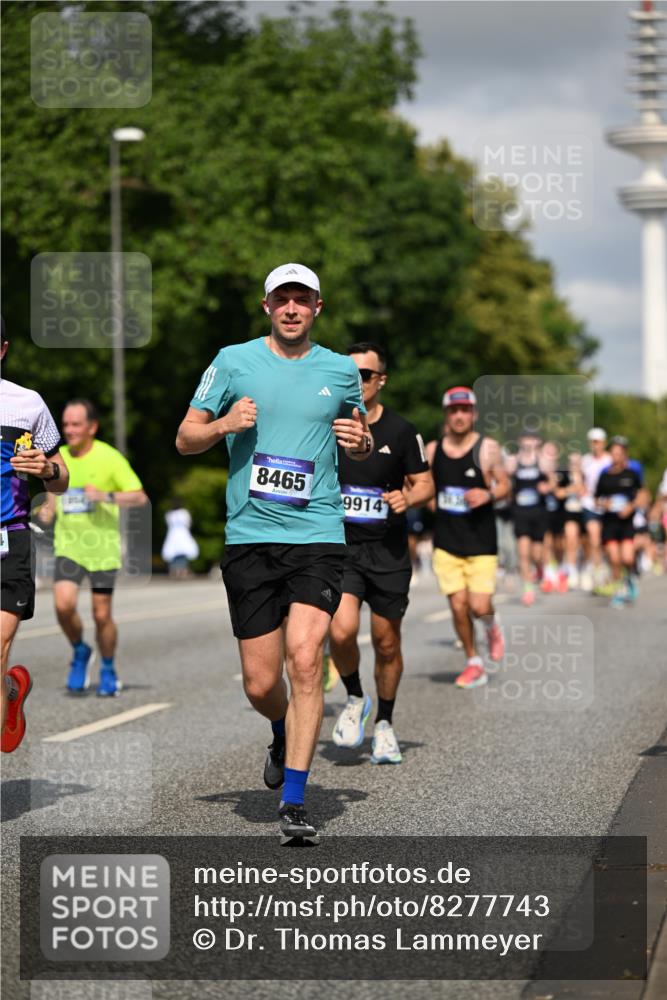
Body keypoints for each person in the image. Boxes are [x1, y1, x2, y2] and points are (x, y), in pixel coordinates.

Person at [176, 263, 372, 844]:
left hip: (317, 534)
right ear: (267, 306)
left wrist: (361, 443)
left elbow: (358, 440)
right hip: (250, 538)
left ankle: (294, 800)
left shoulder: (340, 370)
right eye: (281, 299)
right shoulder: (232, 361)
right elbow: (185, 438)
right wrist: (224, 424)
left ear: (317, 307)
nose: (291, 308)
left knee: (306, 659)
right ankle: (282, 730)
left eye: (301, 299)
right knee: (261, 684)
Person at [328, 342, 433, 765]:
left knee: (386, 643)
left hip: (388, 552)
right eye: (350, 374)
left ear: (381, 380)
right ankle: (355, 696)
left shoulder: (402, 431)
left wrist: (409, 498)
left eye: (366, 375)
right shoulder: (329, 424)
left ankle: (385, 723)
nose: (358, 382)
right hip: (342, 548)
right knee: (340, 631)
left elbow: (425, 484)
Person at [37, 400, 148, 696]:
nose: (69, 430)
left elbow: (139, 497)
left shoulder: (109, 457)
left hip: (102, 550)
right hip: (69, 547)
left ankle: (108, 667)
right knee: (63, 605)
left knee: (101, 615)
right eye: (65, 424)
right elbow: (54, 494)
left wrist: (105, 496)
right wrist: (47, 510)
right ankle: (80, 650)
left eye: (75, 424)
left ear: (92, 427)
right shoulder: (59, 457)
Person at [1, 316, 69, 753]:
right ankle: (10, 690)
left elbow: (60, 478)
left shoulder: (27, 403)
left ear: (2, 349)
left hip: (9, 539)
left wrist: (46, 469)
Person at [426, 386, 509, 689]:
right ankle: (474, 661)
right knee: (458, 606)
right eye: (454, 410)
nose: (459, 416)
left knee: (479, 606)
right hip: (446, 541)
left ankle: (491, 625)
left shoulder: (488, 448)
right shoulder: (433, 450)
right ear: (446, 414)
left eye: (465, 410)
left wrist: (488, 494)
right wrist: (432, 503)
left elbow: (505, 485)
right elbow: (424, 485)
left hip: (481, 541)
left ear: (473, 414)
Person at [506, 431, 555, 607]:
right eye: (525, 439)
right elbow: (505, 479)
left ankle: (540, 569)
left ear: (538, 441)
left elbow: (553, 482)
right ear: (520, 441)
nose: (528, 442)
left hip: (538, 512)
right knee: (523, 553)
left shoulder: (543, 461)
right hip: (520, 512)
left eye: (532, 439)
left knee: (537, 554)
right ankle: (527, 589)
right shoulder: (513, 460)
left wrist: (547, 486)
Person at [595, 436, 641, 608]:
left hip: (626, 522)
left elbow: (642, 495)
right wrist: (603, 504)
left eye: (619, 453)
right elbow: (596, 499)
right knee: (615, 559)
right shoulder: (604, 475)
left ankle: (629, 577)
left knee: (627, 558)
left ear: (624, 454)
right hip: (609, 522)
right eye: (613, 453)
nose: (616, 456)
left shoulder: (632, 474)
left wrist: (631, 506)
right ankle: (619, 591)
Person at [580, 428, 611, 592]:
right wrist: (581, 489)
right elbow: (580, 480)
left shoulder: (609, 460)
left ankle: (606, 567)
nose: (595, 445)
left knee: (606, 542)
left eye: (598, 442)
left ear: (603, 443)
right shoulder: (585, 460)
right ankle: (597, 571)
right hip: (590, 504)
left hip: (608, 505)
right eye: (592, 442)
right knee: (594, 538)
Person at [162, 501, 199, 578]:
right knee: (183, 553)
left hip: (173, 535)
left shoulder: (169, 514)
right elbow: (188, 524)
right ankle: (183, 572)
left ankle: (174, 572)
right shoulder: (184, 513)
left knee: (173, 554)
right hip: (183, 534)